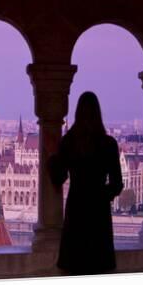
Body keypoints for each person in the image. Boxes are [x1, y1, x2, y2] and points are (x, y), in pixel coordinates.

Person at [48, 91, 124, 275]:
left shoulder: (69, 142)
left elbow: (59, 178)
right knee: (99, 269)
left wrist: (52, 158)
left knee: (74, 269)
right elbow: (117, 184)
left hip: (76, 210)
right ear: (98, 113)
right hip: (99, 214)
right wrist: (101, 196)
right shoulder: (109, 144)